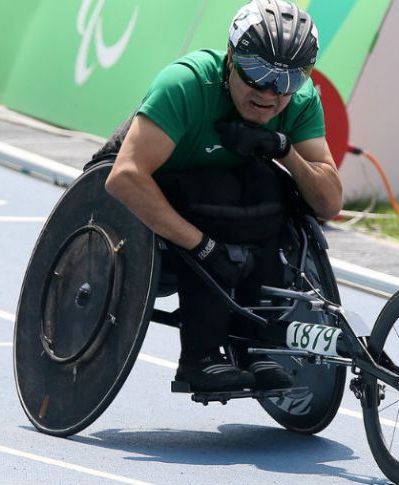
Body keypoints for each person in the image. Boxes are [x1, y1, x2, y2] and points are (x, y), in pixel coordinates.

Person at [99, 0, 342, 392]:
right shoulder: (187, 84)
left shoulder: (299, 101)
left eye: (285, 80)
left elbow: (328, 203)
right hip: (151, 193)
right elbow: (123, 177)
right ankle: (201, 358)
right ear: (231, 56)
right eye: (258, 73)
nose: (269, 92)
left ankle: (256, 348)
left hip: (227, 196)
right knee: (213, 201)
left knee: (274, 198)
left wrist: (284, 150)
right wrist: (204, 247)